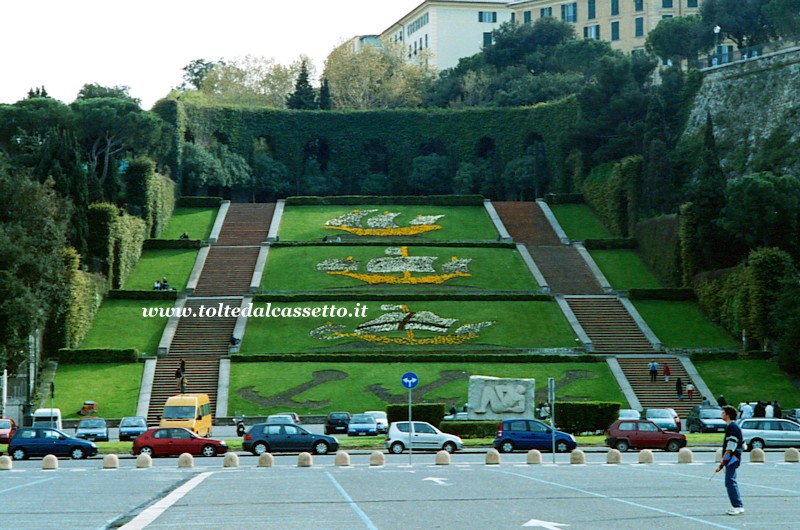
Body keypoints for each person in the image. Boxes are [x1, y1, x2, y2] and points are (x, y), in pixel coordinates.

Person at [716, 405, 744, 515]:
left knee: (730, 482)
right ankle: (737, 505)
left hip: (733, 458)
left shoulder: (732, 427)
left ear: (728, 415)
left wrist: (723, 462)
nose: (721, 415)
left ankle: (737, 506)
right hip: (734, 458)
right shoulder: (733, 426)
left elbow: (730, 447)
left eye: (723, 413)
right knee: (730, 481)